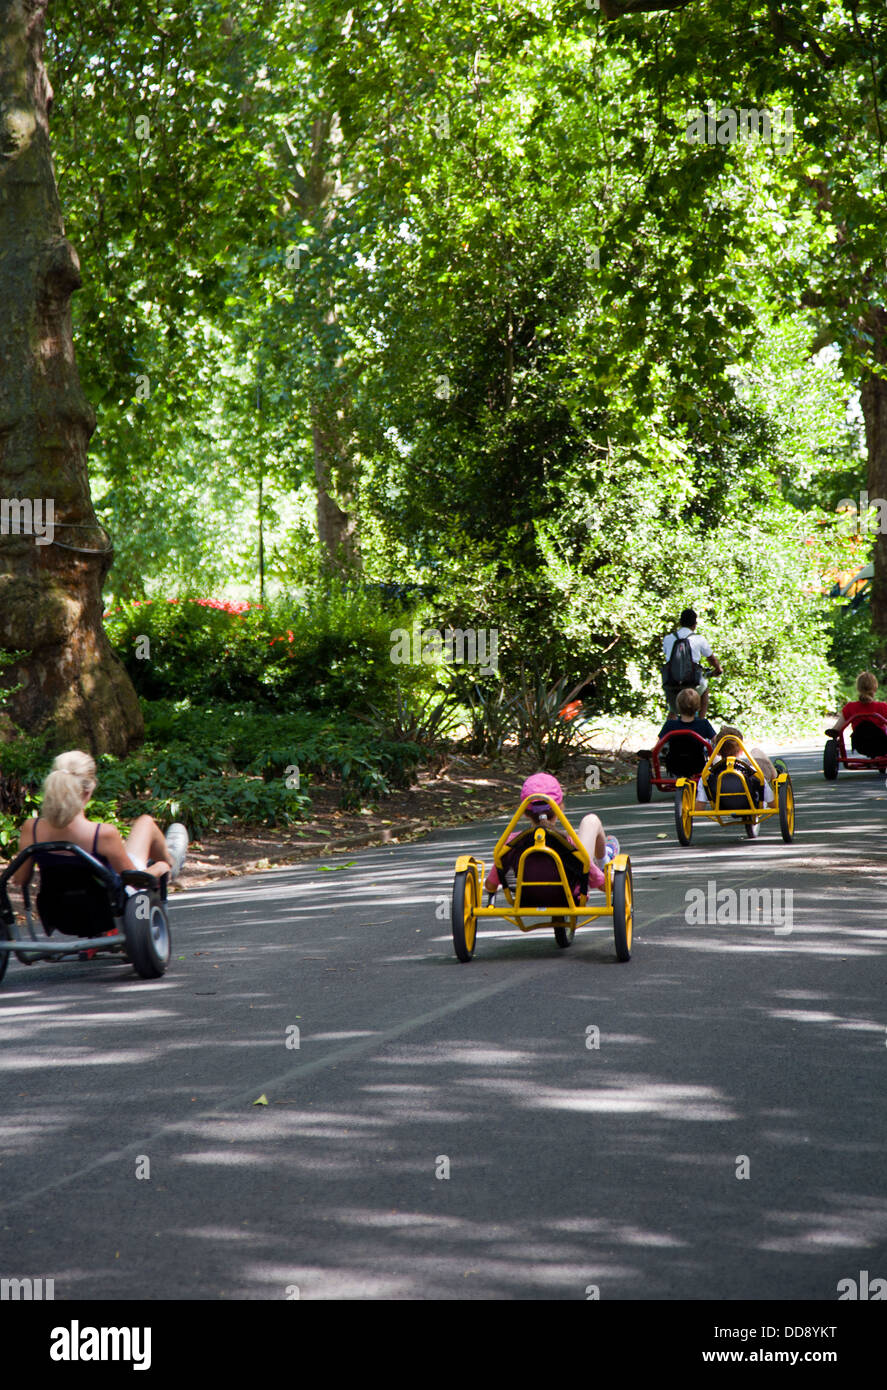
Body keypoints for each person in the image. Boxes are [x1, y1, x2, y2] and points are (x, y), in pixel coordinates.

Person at [10, 750, 188, 893]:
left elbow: (20, 879)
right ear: (89, 790)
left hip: (56, 913)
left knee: (145, 824)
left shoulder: (31, 828)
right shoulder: (102, 834)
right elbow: (134, 882)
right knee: (146, 822)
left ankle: (168, 862)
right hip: (106, 912)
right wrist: (160, 868)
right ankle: (170, 864)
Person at [484, 772, 618, 897]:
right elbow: (603, 886)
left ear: (524, 812)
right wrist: (611, 882)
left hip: (526, 897)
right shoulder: (568, 843)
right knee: (591, 821)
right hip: (568, 895)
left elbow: (490, 886)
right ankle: (604, 860)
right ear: (560, 808)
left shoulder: (512, 843)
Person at [661, 607, 722, 718]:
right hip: (692, 684)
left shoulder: (668, 639)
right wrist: (718, 669)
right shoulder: (699, 639)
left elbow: (667, 657)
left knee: (673, 707)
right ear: (695, 624)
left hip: (672, 683)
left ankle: (669, 728)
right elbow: (711, 659)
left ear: (680, 623)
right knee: (705, 688)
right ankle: (700, 722)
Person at [698, 729, 775, 807]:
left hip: (721, 806)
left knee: (714, 762)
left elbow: (699, 807)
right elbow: (772, 804)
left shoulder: (708, 776)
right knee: (756, 752)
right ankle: (776, 777)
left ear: (717, 751)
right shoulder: (753, 772)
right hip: (752, 805)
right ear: (742, 750)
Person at [655, 687, 716, 775]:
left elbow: (658, 747)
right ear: (698, 707)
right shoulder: (704, 724)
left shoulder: (670, 725)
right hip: (697, 765)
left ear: (678, 706)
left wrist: (650, 755)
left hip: (674, 766)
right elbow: (717, 741)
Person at [827, 671, 887, 757]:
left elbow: (837, 729)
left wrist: (834, 732)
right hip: (881, 744)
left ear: (858, 688)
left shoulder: (850, 707)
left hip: (860, 744)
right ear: (875, 687)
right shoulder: (883, 707)